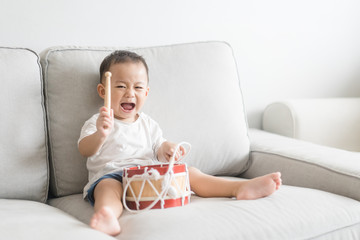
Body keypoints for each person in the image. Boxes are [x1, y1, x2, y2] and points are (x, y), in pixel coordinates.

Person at [78, 50, 282, 236]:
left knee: (189, 172)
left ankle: (238, 189)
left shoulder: (148, 123)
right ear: (103, 91)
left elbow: (159, 146)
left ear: (146, 93)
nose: (130, 93)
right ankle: (108, 216)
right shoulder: (98, 122)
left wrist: (168, 149)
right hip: (112, 175)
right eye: (121, 86)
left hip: (147, 176)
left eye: (138, 87)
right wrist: (101, 134)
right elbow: (85, 149)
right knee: (107, 187)